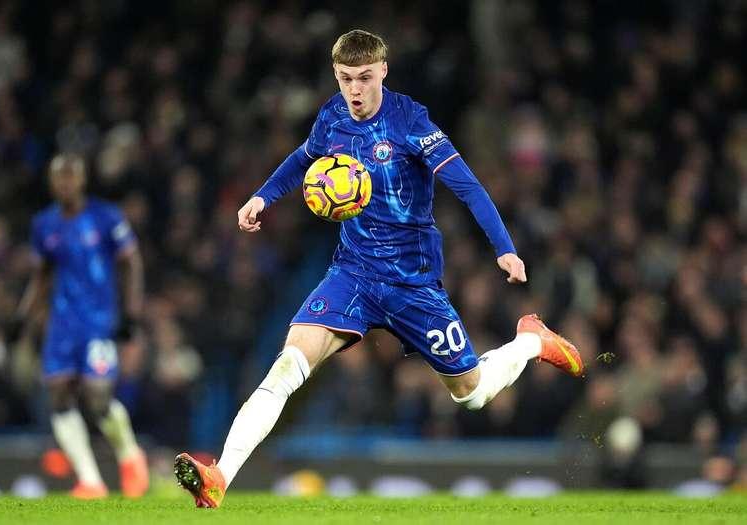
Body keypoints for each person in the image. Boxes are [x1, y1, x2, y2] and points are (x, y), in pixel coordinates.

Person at [174, 30, 584, 508]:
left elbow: (467, 185)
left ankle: (533, 339)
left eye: (365, 78)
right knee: (288, 363)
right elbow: (302, 159)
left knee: (470, 393)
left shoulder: (411, 121)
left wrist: (504, 248)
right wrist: (263, 195)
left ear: (383, 72)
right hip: (354, 275)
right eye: (346, 79)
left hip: (413, 284)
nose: (355, 90)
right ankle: (220, 475)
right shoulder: (332, 118)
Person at [16, 153, 149, 498]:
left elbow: (131, 262)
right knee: (59, 394)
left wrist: (131, 311)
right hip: (62, 324)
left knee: (98, 396)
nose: (64, 182)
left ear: (82, 179)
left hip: (99, 321)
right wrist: (25, 313)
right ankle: (90, 480)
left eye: (70, 175)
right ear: (51, 181)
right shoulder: (44, 224)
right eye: (58, 176)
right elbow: (43, 274)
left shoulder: (106, 218)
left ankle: (130, 455)